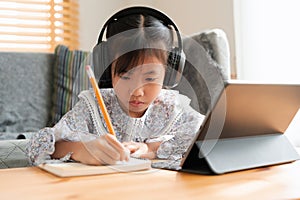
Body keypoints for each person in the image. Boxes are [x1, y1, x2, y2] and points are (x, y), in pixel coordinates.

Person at [26, 6, 205, 166]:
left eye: (150, 78)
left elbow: (209, 138)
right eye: (125, 76)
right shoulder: (92, 107)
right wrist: (80, 150)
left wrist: (150, 148)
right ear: (107, 69)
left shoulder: (172, 108)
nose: (137, 91)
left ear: (170, 72)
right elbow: (36, 146)